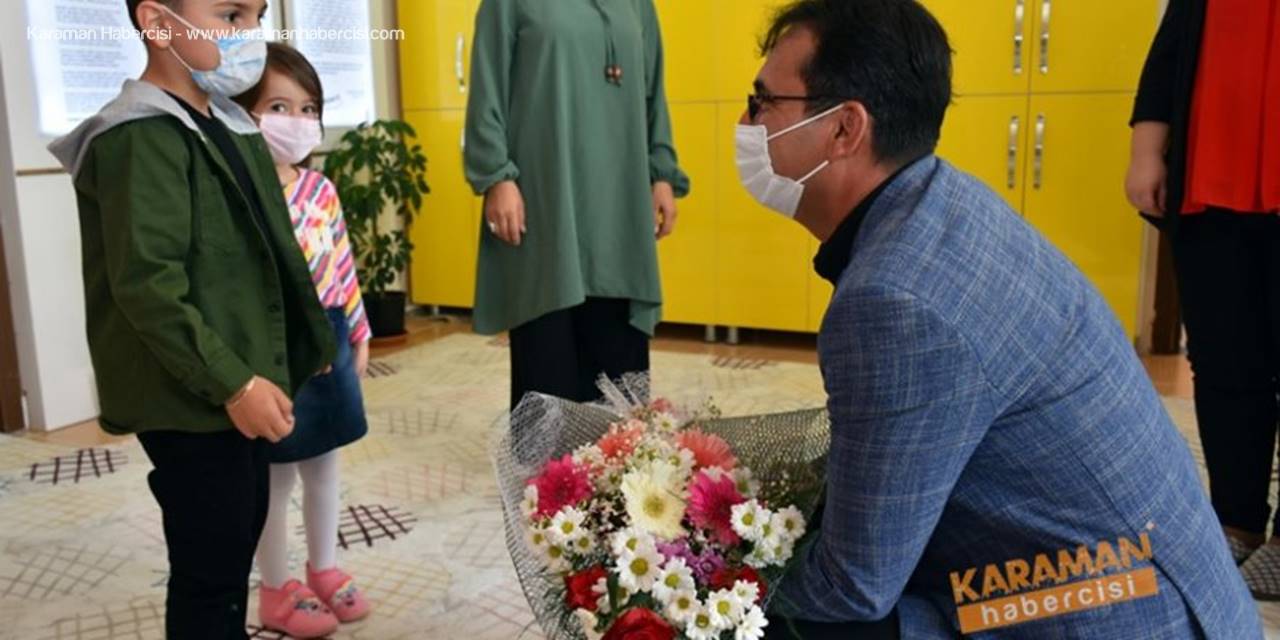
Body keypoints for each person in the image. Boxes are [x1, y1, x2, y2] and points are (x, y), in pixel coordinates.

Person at [743, 1, 1262, 637]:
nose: (745, 124)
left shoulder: (895, 299)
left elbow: (853, 584)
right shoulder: (940, 202)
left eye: (762, 102)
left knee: (758, 620)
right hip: (1143, 581)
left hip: (1105, 613)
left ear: (844, 128)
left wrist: (698, 571)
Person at [46, 1, 335, 638]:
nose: (249, 35)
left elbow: (268, 253)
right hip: (190, 392)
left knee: (242, 523)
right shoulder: (137, 136)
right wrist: (236, 383)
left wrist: (298, 342)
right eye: (230, 15)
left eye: (255, 16)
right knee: (211, 560)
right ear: (157, 23)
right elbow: (149, 286)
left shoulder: (227, 125)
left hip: (237, 376)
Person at [464, 0, 690, 411]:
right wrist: (496, 176)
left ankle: (621, 451)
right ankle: (548, 454)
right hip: (544, 193)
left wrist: (662, 172)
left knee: (619, 362)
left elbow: (654, 91)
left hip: (620, 195)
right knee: (546, 348)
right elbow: (487, 87)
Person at [1127, 0, 1280, 598]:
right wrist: (1147, 150)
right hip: (1212, 175)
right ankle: (1234, 522)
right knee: (1223, 361)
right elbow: (1171, 51)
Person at [233, 43, 372, 638]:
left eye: (308, 108)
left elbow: (343, 263)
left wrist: (359, 330)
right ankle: (274, 588)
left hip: (330, 337)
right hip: (272, 349)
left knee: (324, 463)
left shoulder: (321, 190)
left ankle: (324, 567)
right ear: (244, 112)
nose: (296, 121)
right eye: (278, 107)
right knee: (276, 474)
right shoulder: (240, 192)